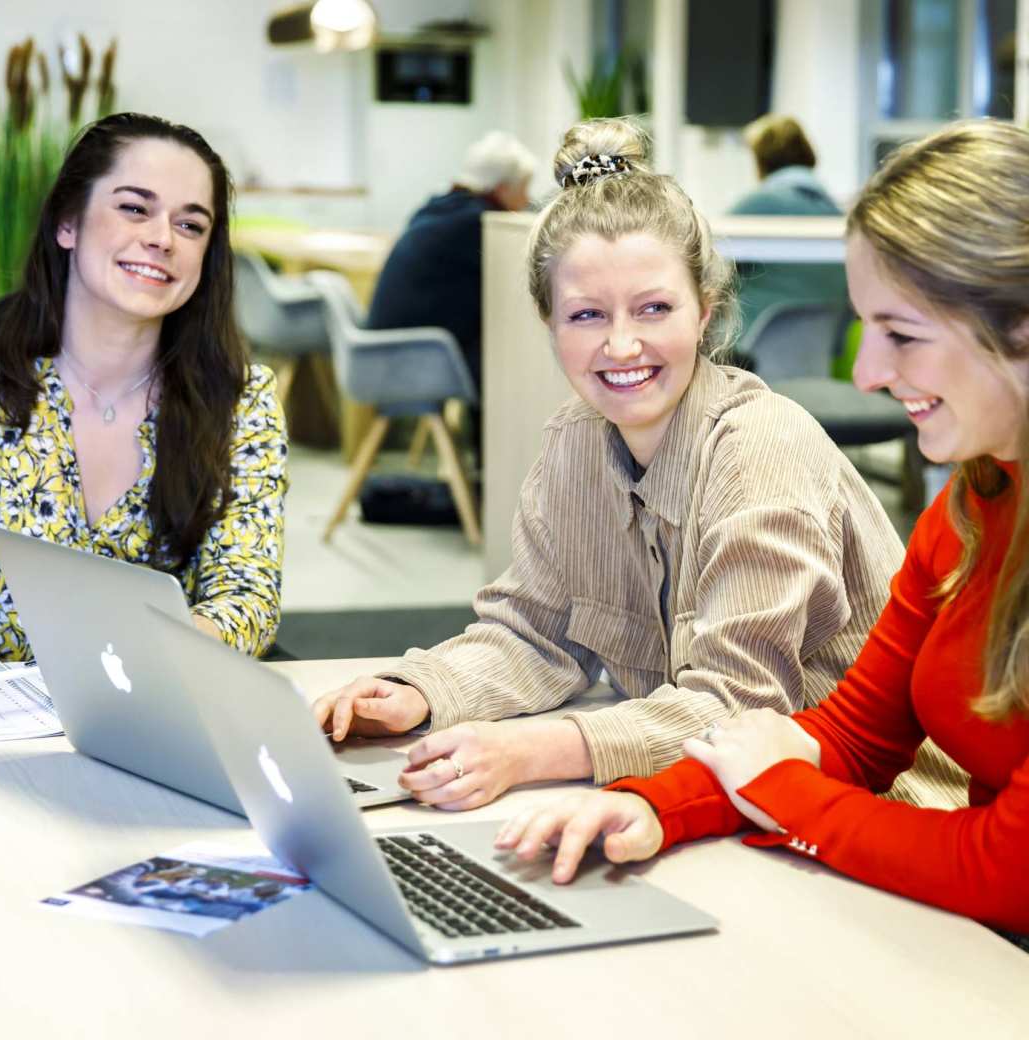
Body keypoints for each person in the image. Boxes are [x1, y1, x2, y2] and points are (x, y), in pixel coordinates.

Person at [314, 117, 964, 813]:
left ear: (704, 312)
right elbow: (534, 631)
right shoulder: (574, 442)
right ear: (550, 327)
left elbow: (736, 707)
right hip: (718, 805)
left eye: (654, 308)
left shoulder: (759, 449)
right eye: (587, 315)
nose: (622, 345)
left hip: (872, 813)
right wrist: (421, 693)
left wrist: (531, 752)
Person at [496, 120, 1029, 941]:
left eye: (902, 334)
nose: (866, 375)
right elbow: (852, 735)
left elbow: (1005, 868)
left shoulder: (765, 444)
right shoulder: (976, 502)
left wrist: (781, 792)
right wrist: (653, 806)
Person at [0, 112, 288, 666]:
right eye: (134, 208)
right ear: (68, 222)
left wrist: (154, 662)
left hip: (150, 712)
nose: (161, 239)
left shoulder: (240, 398)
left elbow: (245, 597)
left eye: (190, 225)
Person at [366, 130, 536, 396]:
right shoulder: (478, 222)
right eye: (524, 189)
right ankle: (496, 438)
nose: (527, 200)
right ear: (502, 188)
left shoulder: (442, 208)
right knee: (514, 355)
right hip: (411, 357)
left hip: (381, 351)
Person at [728, 114, 849, 343]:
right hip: (817, 353)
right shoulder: (832, 211)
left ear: (760, 160)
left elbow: (708, 255)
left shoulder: (760, 204)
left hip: (751, 349)